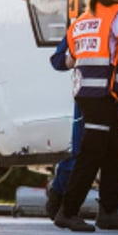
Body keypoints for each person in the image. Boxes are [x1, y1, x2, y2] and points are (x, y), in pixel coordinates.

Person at [54, 0, 118, 232]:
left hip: (88, 94)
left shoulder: (81, 20)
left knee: (116, 149)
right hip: (102, 94)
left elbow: (69, 60)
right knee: (91, 153)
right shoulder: (117, 13)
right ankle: (67, 211)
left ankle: (109, 211)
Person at [45, 36, 84, 220]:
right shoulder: (80, 27)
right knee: (79, 151)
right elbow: (58, 61)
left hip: (115, 95)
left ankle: (112, 207)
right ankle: (58, 195)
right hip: (88, 97)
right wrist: (71, 60)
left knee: (117, 153)